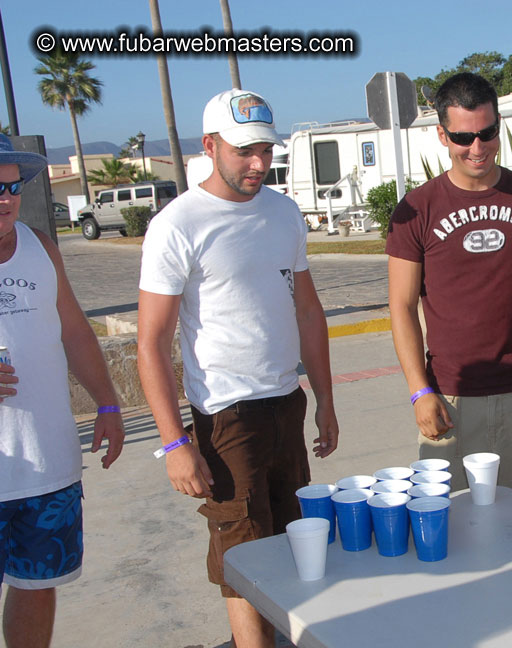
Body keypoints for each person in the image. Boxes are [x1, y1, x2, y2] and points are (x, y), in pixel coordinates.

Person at [137, 89, 339, 648]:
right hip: (226, 416)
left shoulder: (284, 212)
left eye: (265, 150)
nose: (258, 163)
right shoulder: (177, 225)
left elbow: (307, 310)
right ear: (209, 146)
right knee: (244, 556)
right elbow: (151, 343)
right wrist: (175, 444)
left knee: (295, 540)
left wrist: (324, 399)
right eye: (244, 150)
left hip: (286, 402)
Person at [385, 72, 512, 495]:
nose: (477, 147)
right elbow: (401, 306)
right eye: (463, 137)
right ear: (442, 135)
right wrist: (419, 391)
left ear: (498, 126)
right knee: (453, 523)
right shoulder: (417, 209)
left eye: (487, 133)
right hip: (451, 400)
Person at [0, 134, 125, 648]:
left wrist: (108, 403)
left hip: (46, 467)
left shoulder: (40, 247)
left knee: (36, 587)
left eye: (13, 187)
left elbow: (74, 331)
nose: (6, 198)